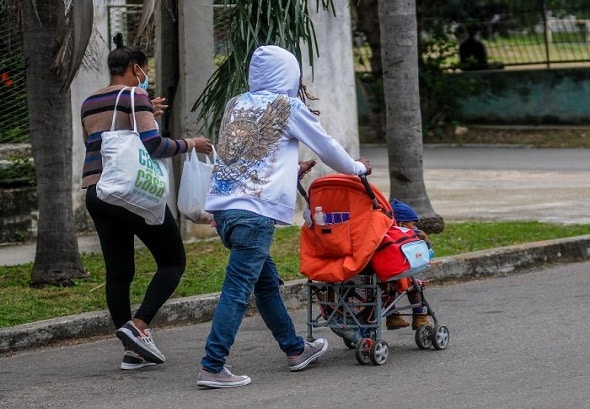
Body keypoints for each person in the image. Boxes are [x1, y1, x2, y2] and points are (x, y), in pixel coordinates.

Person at [196, 45, 372, 388]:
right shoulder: (287, 106)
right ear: (289, 74)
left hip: (225, 212)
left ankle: (295, 350)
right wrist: (356, 168)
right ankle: (212, 365)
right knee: (236, 291)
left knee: (265, 284)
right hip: (254, 216)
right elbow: (327, 147)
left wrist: (291, 169)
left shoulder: (236, 104)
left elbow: (247, 158)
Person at [80, 33, 212, 371]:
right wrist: (191, 143)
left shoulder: (90, 102)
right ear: (136, 69)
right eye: (144, 70)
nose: (145, 77)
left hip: (98, 192)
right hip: (133, 194)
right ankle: (139, 326)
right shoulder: (136, 94)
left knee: (119, 272)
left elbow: (101, 142)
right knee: (172, 261)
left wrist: (142, 109)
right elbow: (153, 146)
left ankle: (132, 351)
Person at [385, 199, 433, 330]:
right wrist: (426, 241)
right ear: (401, 224)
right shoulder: (405, 239)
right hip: (396, 275)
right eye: (413, 224)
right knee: (414, 284)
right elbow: (426, 257)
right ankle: (420, 317)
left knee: (382, 289)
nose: (415, 228)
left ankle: (393, 315)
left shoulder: (381, 235)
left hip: (379, 277)